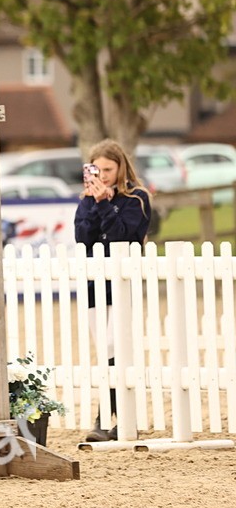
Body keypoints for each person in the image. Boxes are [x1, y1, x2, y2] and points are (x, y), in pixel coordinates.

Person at [74, 138, 151, 442]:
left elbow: (123, 236)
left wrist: (106, 204)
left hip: (123, 284)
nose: (103, 175)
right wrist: (96, 203)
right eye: (98, 169)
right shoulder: (86, 201)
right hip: (95, 285)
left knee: (115, 348)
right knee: (107, 351)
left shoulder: (137, 199)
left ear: (120, 168)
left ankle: (104, 419)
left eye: (108, 169)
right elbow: (83, 237)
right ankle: (118, 419)